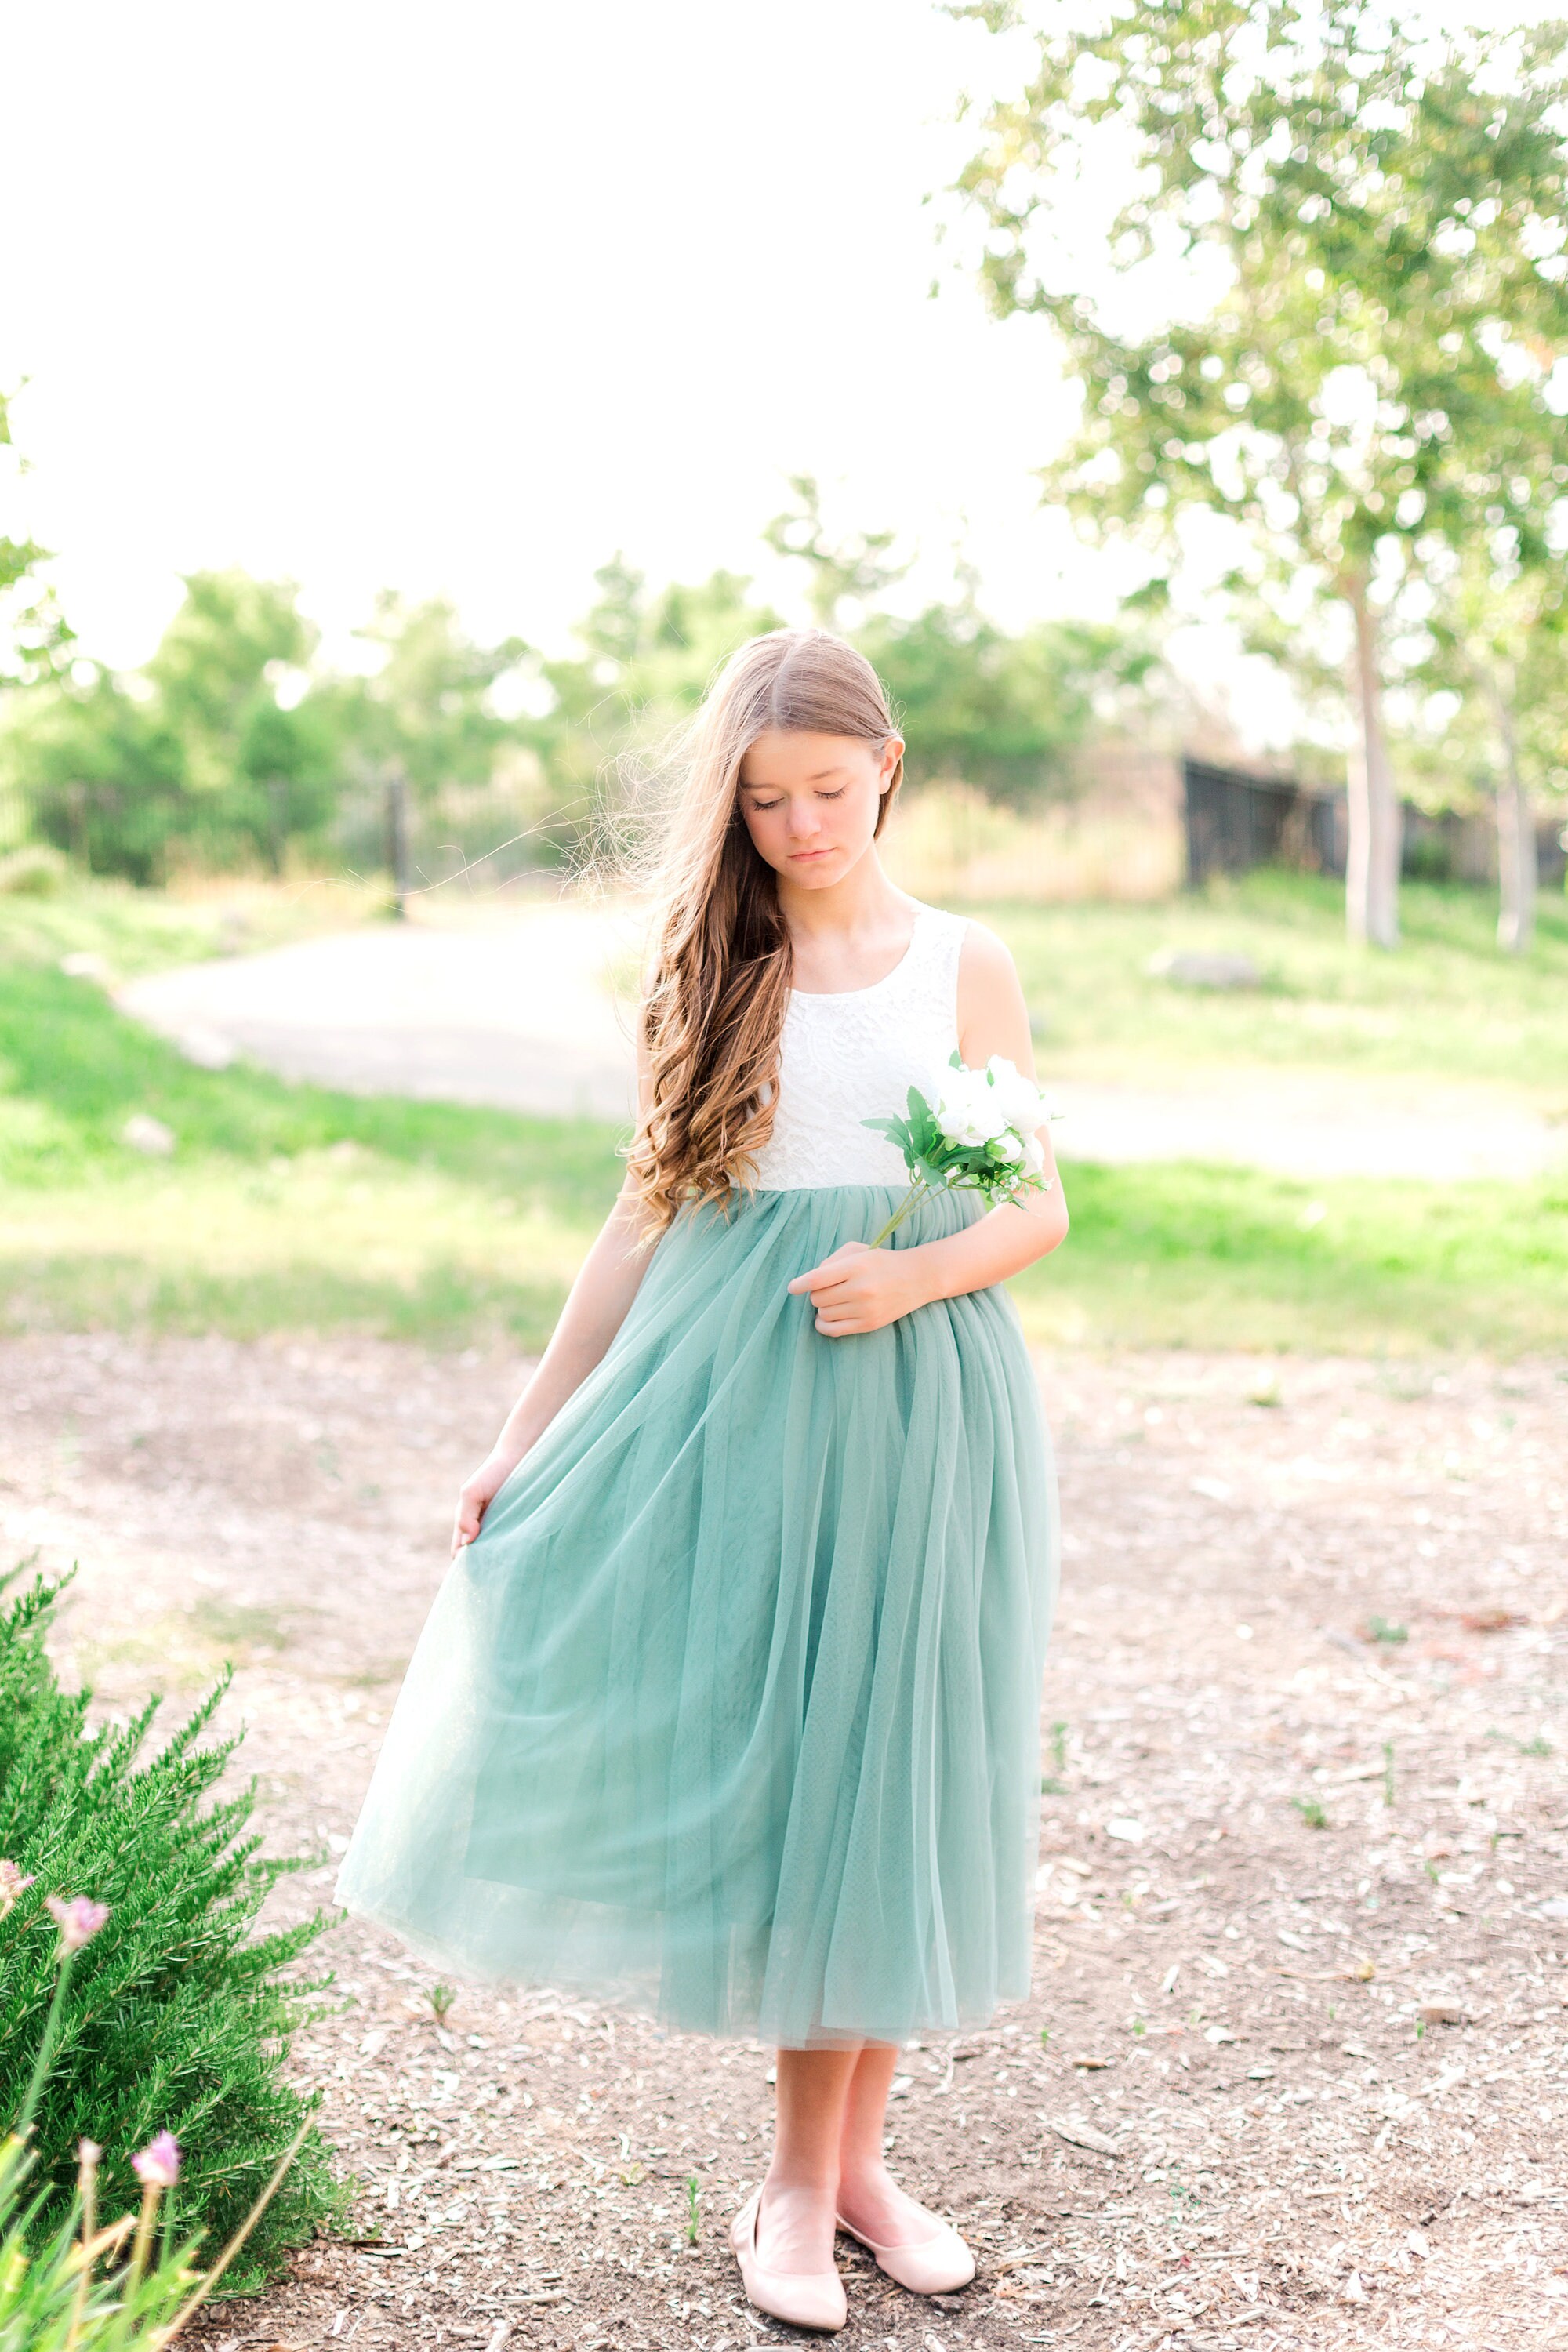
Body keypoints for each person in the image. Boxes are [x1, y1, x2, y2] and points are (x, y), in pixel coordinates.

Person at [336, 628, 1065, 2333]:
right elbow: (641, 1216)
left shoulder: (965, 963)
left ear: (887, 768)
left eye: (829, 789)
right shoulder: (726, 971)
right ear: (731, 810)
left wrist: (915, 1274)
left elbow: (1036, 1206)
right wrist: (523, 1431)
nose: (803, 825)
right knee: (812, 1772)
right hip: (752, 1402)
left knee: (895, 1763)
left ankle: (857, 2172)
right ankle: (791, 2191)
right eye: (765, 801)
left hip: (925, 1405)